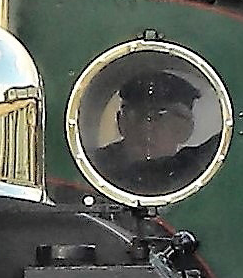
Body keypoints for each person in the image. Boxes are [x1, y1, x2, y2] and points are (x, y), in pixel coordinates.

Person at [90, 68, 221, 197]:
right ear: (121, 121)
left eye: (160, 116)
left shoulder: (195, 167)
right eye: (136, 115)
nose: (147, 126)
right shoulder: (95, 168)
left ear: (184, 128)